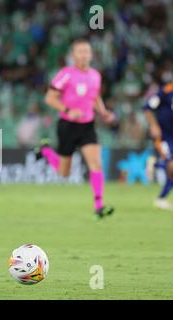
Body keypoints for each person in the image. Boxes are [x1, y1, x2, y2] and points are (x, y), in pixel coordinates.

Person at [38, 38, 115, 218]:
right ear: (73, 55)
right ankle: (46, 151)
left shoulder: (96, 75)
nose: (84, 55)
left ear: (91, 54)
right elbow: (49, 98)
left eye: (86, 51)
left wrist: (103, 112)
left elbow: (95, 97)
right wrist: (67, 110)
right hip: (67, 126)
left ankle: (99, 205)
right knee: (64, 173)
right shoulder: (66, 74)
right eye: (80, 51)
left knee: (96, 164)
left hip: (87, 126)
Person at [143, 81, 173, 210]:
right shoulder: (167, 90)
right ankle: (155, 164)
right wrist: (153, 125)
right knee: (171, 166)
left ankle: (161, 198)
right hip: (165, 136)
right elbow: (147, 107)